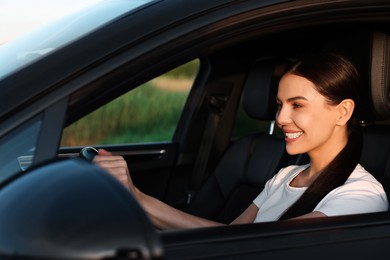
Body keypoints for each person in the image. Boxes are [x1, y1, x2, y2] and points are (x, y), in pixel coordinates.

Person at [93, 52, 388, 229]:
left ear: (343, 112)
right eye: (279, 104)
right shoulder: (286, 175)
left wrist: (137, 199)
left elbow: (264, 248)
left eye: (297, 105)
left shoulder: (361, 196)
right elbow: (228, 238)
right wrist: (135, 200)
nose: (281, 118)